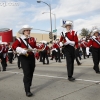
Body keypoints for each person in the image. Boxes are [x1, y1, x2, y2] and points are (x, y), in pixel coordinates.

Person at [12, 25, 37, 97]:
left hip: (31, 57)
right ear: (23, 31)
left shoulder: (32, 39)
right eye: (26, 30)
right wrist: (21, 50)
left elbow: (35, 47)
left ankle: (28, 84)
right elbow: (14, 46)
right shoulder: (20, 39)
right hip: (24, 58)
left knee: (31, 72)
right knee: (27, 73)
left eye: (29, 30)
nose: (28, 31)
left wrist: (35, 50)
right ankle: (27, 90)